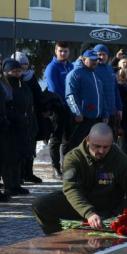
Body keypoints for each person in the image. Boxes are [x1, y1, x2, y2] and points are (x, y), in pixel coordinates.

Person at [31, 123, 127, 234]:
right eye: (97, 146)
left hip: (107, 208)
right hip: (80, 205)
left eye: (106, 147)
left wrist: (117, 215)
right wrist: (89, 213)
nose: (101, 151)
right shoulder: (73, 158)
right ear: (88, 140)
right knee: (41, 205)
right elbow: (71, 189)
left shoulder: (122, 160)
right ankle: (58, 236)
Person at [1, 59, 35, 196]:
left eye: (18, 71)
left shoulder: (23, 85)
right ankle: (9, 185)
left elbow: (29, 103)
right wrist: (15, 117)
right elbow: (6, 105)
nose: (16, 74)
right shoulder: (6, 85)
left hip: (22, 126)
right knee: (8, 159)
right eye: (13, 71)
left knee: (18, 157)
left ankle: (16, 184)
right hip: (9, 127)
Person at [12, 51, 45, 185]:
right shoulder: (13, 78)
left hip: (32, 115)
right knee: (19, 147)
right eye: (21, 65)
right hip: (18, 116)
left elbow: (38, 95)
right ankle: (18, 175)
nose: (24, 67)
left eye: (26, 64)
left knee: (30, 146)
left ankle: (28, 173)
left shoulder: (30, 77)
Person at [65, 50, 106, 153]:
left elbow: (101, 96)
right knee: (76, 147)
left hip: (96, 119)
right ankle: (70, 167)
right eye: (92, 59)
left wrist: (105, 113)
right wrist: (77, 112)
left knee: (92, 148)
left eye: (96, 60)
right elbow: (70, 95)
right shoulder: (75, 74)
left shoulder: (95, 75)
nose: (95, 62)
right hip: (82, 118)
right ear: (83, 59)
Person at [44, 41, 74, 179]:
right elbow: (55, 89)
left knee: (68, 139)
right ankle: (55, 168)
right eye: (60, 51)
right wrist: (68, 101)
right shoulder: (52, 68)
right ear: (56, 51)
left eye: (65, 51)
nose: (63, 53)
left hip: (70, 108)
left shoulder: (70, 66)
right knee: (56, 139)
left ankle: (66, 166)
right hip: (57, 107)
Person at [93, 44, 123, 122]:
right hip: (98, 113)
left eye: (104, 54)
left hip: (112, 112)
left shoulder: (110, 68)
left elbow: (115, 90)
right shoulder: (92, 69)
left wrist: (119, 108)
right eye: (99, 54)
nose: (102, 57)